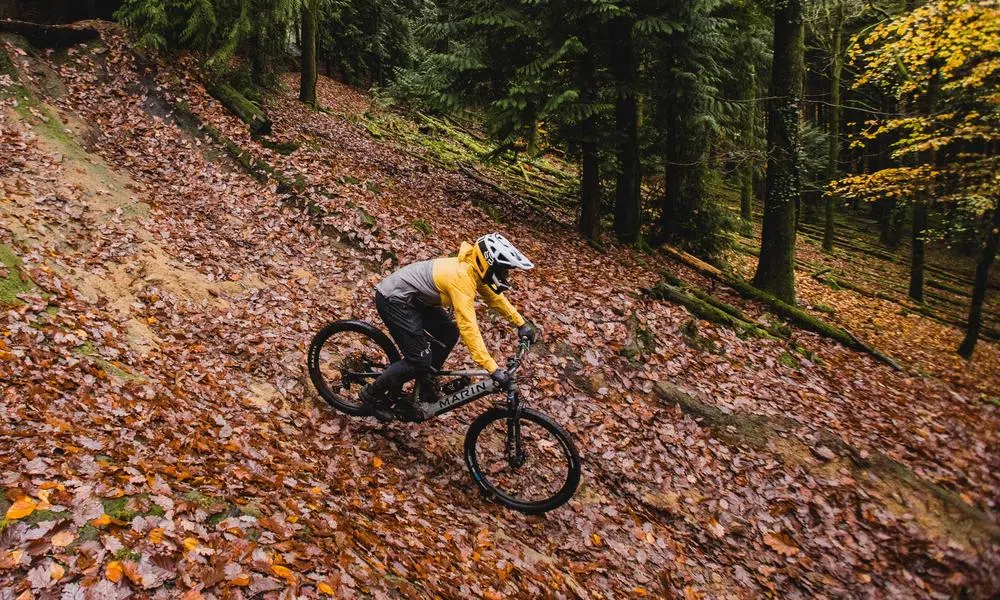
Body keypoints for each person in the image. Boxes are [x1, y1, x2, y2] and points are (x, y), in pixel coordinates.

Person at [360, 233, 539, 421]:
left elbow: (494, 298)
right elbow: (469, 326)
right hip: (394, 299)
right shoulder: (461, 278)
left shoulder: (473, 270)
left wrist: (521, 323)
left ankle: (426, 380)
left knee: (449, 333)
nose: (505, 276)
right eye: (503, 271)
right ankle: (372, 395)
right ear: (487, 264)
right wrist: (491, 368)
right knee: (419, 360)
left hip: (415, 300)